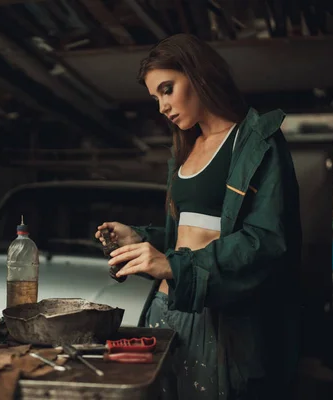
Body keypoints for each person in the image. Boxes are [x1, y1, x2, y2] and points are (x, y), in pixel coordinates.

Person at [95, 33, 302, 400]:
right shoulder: (184, 150)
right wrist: (142, 240)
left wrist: (177, 268)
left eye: (167, 89)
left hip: (218, 314)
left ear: (198, 74)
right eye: (155, 97)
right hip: (164, 306)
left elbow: (266, 240)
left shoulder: (256, 141)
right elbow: (188, 237)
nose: (162, 106)